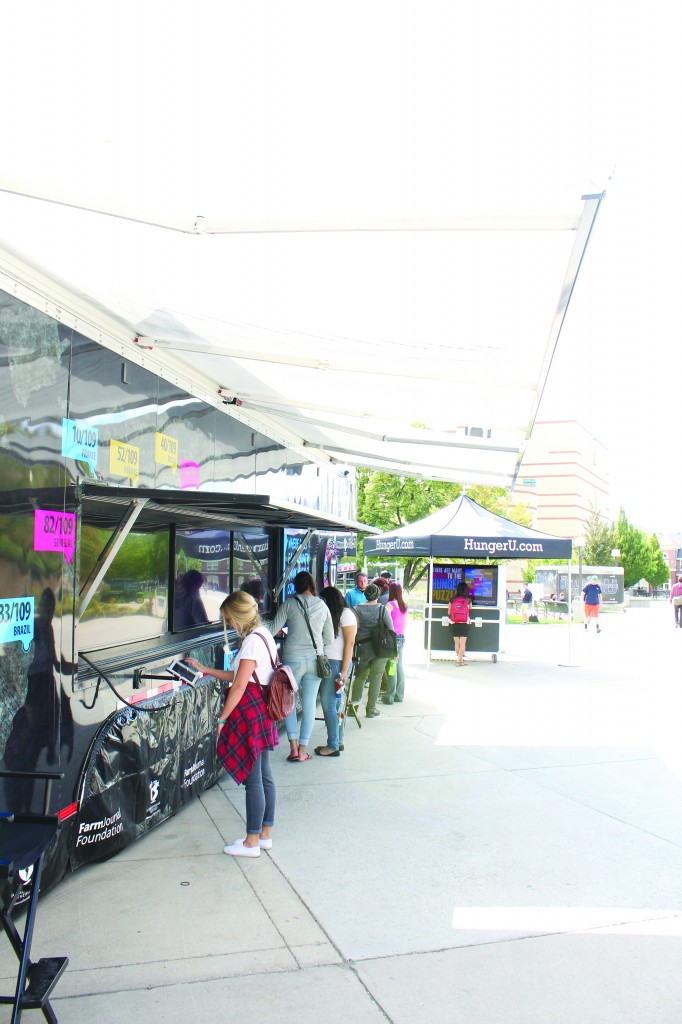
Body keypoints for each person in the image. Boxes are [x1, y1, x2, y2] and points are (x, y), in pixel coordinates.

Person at [186, 591, 278, 858]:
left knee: (254, 779)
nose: (229, 626)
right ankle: (264, 835)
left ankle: (251, 842)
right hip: (262, 711)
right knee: (264, 774)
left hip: (249, 713)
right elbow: (239, 675)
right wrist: (205, 669)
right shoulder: (265, 635)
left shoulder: (250, 641)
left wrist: (223, 719)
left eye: (229, 619)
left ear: (238, 616)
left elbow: (238, 685)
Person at [265, 571, 333, 762]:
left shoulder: (289, 604)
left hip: (292, 660)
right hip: (315, 659)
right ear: (312, 584)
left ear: (296, 586)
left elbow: (271, 630)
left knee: (289, 702)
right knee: (310, 704)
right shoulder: (323, 606)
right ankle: (303, 750)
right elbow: (328, 638)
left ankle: (293, 747)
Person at [315, 586, 357, 756]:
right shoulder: (336, 614)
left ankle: (332, 745)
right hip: (332, 664)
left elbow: (350, 644)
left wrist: (344, 670)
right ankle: (338, 741)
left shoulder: (346, 615)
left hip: (337, 665)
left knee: (329, 704)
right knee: (336, 705)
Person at [349, 583, 394, 718]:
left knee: (360, 677)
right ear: (378, 595)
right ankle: (371, 709)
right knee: (376, 678)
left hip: (362, 648)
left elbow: (352, 629)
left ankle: (353, 707)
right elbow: (391, 629)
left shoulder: (356, 609)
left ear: (365, 594)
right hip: (380, 649)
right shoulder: (382, 610)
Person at [382, 581, 408, 704]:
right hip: (401, 637)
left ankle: (390, 696)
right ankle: (399, 694)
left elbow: (385, 623)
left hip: (392, 638)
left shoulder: (390, 605)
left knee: (391, 666)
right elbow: (404, 625)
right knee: (399, 666)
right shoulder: (404, 605)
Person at [448, 582, 473, 667]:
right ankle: (459, 661)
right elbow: (469, 610)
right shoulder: (468, 600)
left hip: (454, 623)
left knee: (456, 643)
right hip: (464, 624)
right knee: (462, 643)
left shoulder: (452, 599)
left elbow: (449, 612)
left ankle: (460, 660)